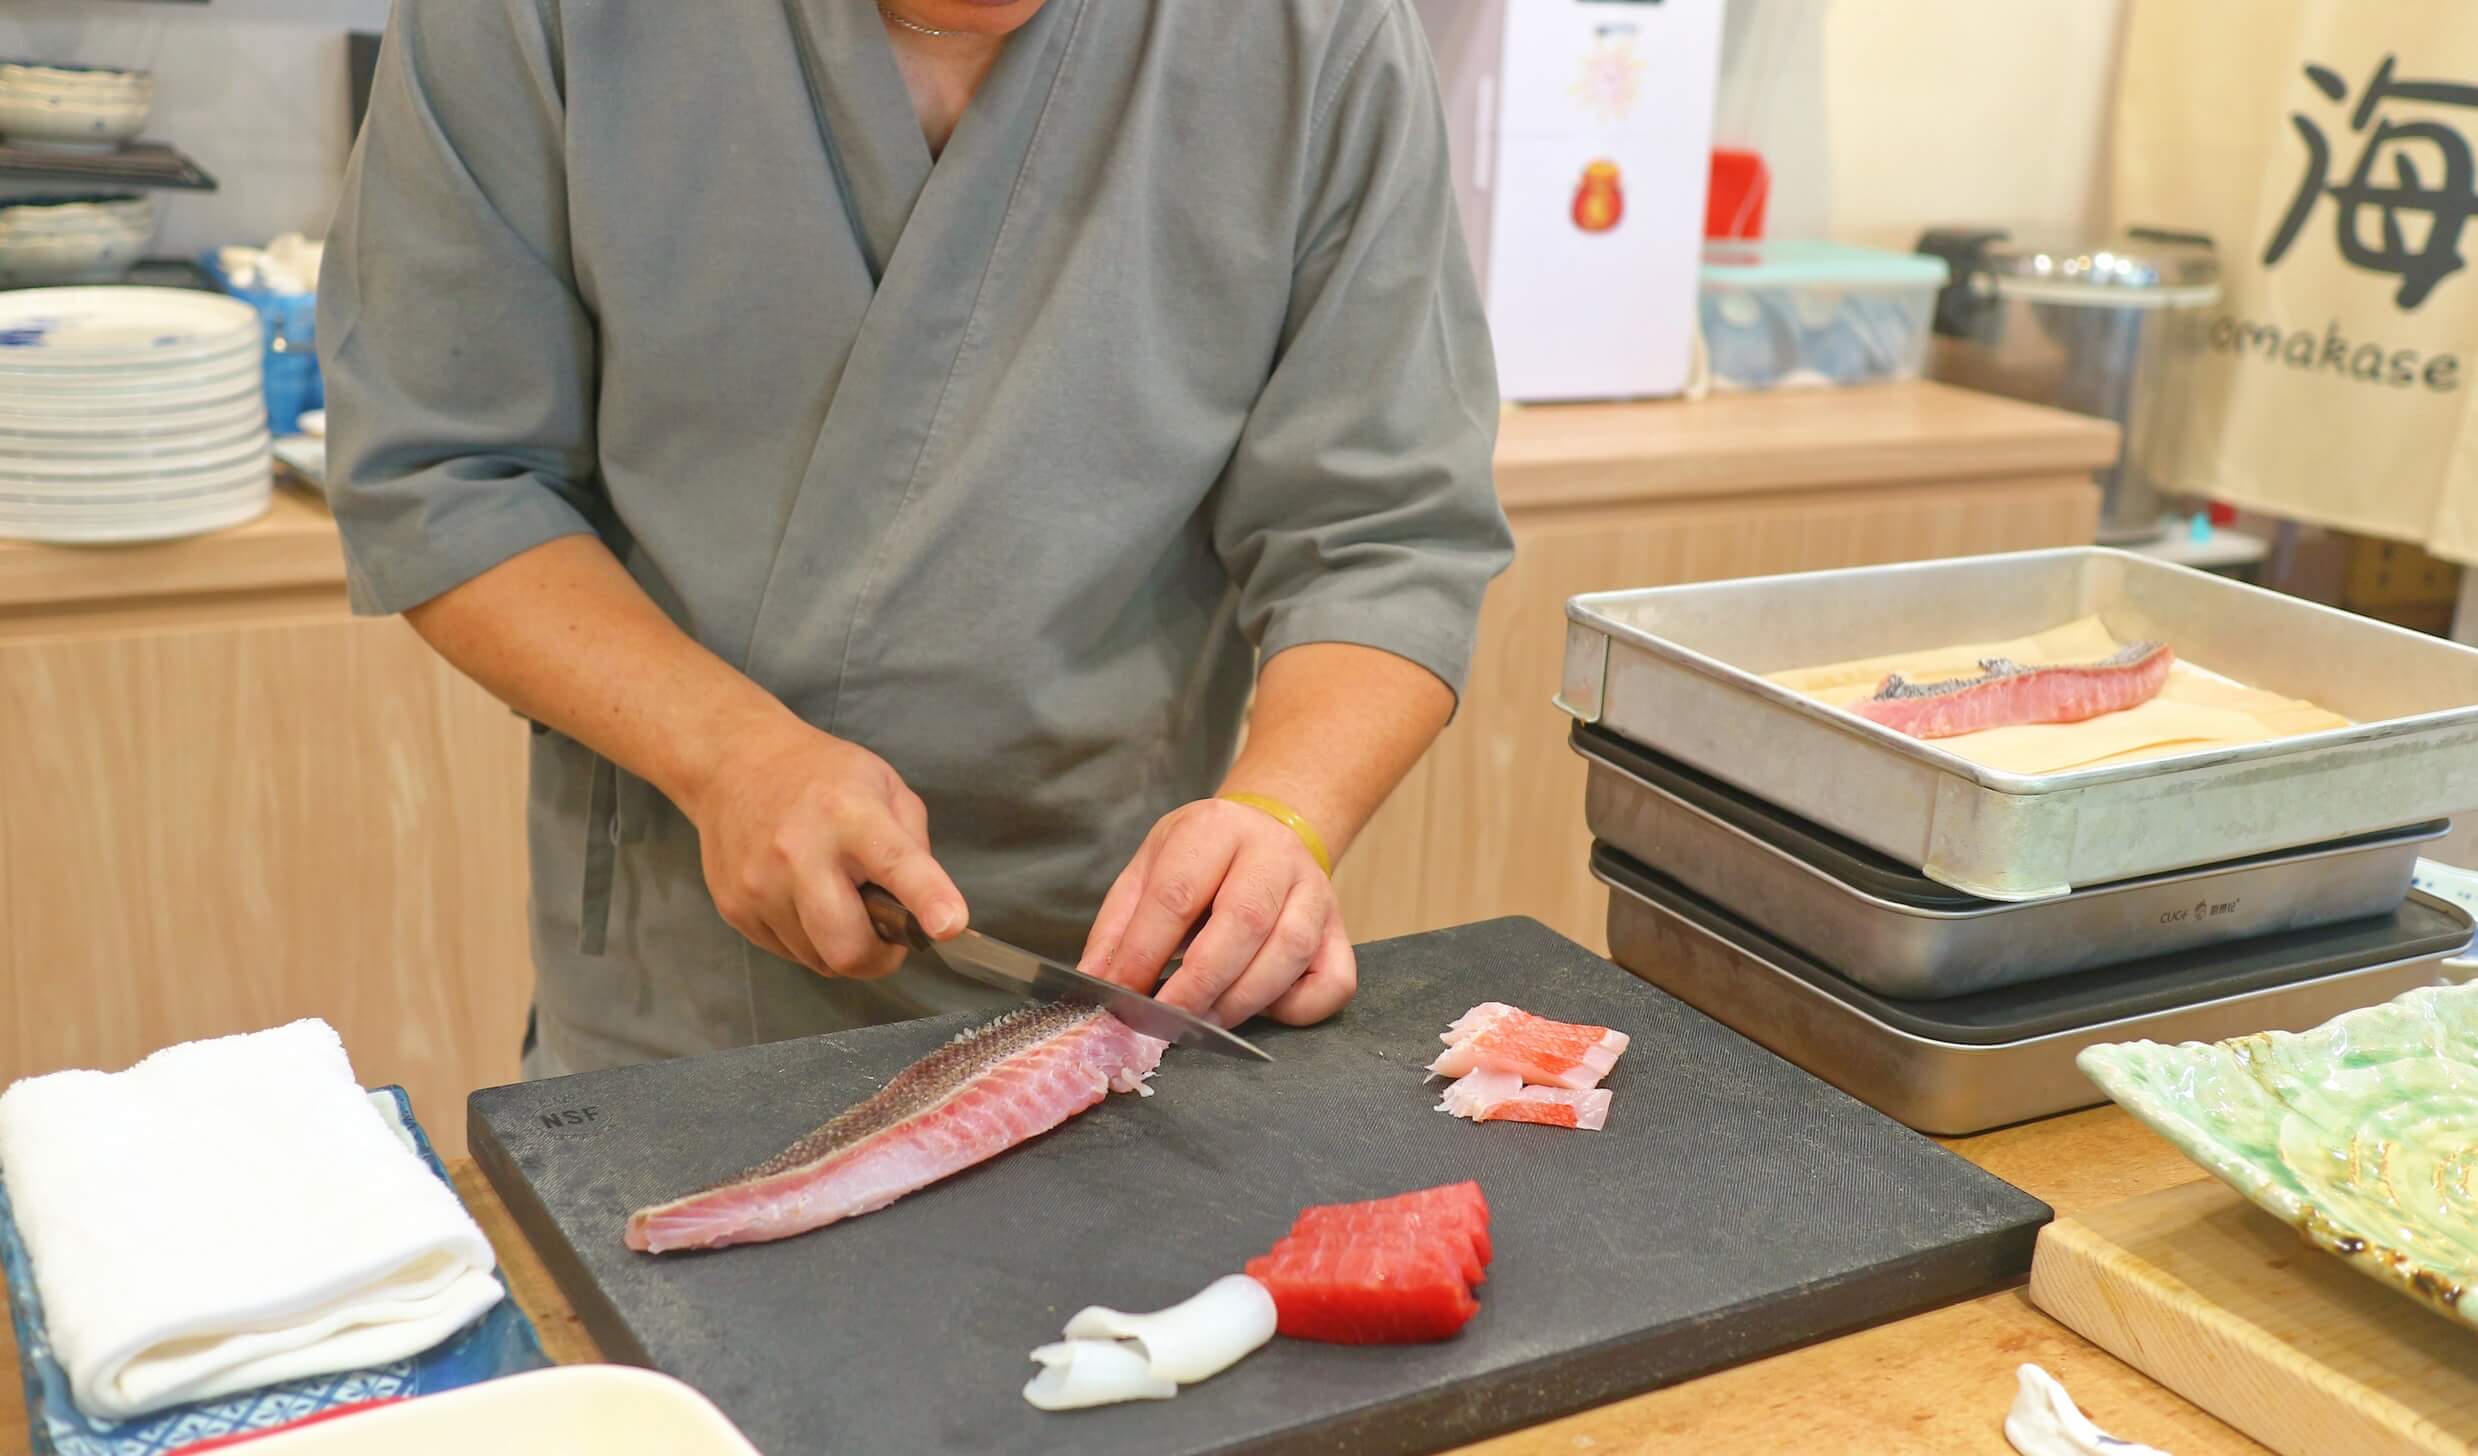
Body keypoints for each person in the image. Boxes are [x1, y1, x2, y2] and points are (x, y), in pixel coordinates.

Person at [317, 0, 1513, 1079]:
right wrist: (731, 756)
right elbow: (449, 470)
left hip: (1115, 984)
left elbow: (1382, 529)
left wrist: (1284, 817)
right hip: (688, 987)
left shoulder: (1316, 35)